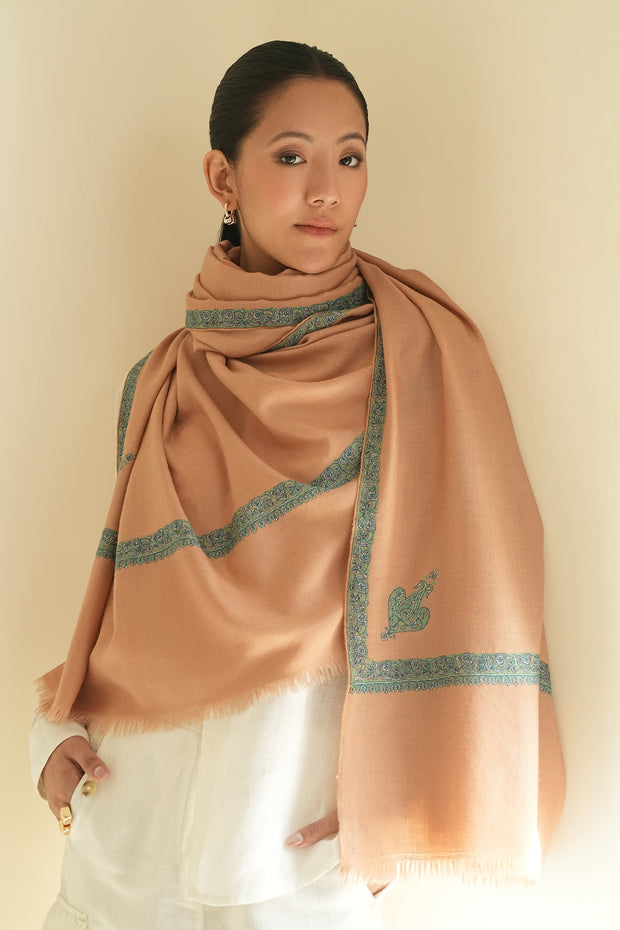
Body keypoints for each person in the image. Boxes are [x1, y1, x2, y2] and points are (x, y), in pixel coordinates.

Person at [31, 40, 565, 930]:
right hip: (127, 847)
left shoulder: (417, 358)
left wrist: (395, 794)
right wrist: (54, 739)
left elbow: (485, 586)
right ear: (223, 177)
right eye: (291, 157)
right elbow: (124, 613)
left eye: (350, 159)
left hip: (292, 854)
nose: (327, 190)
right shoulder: (163, 380)